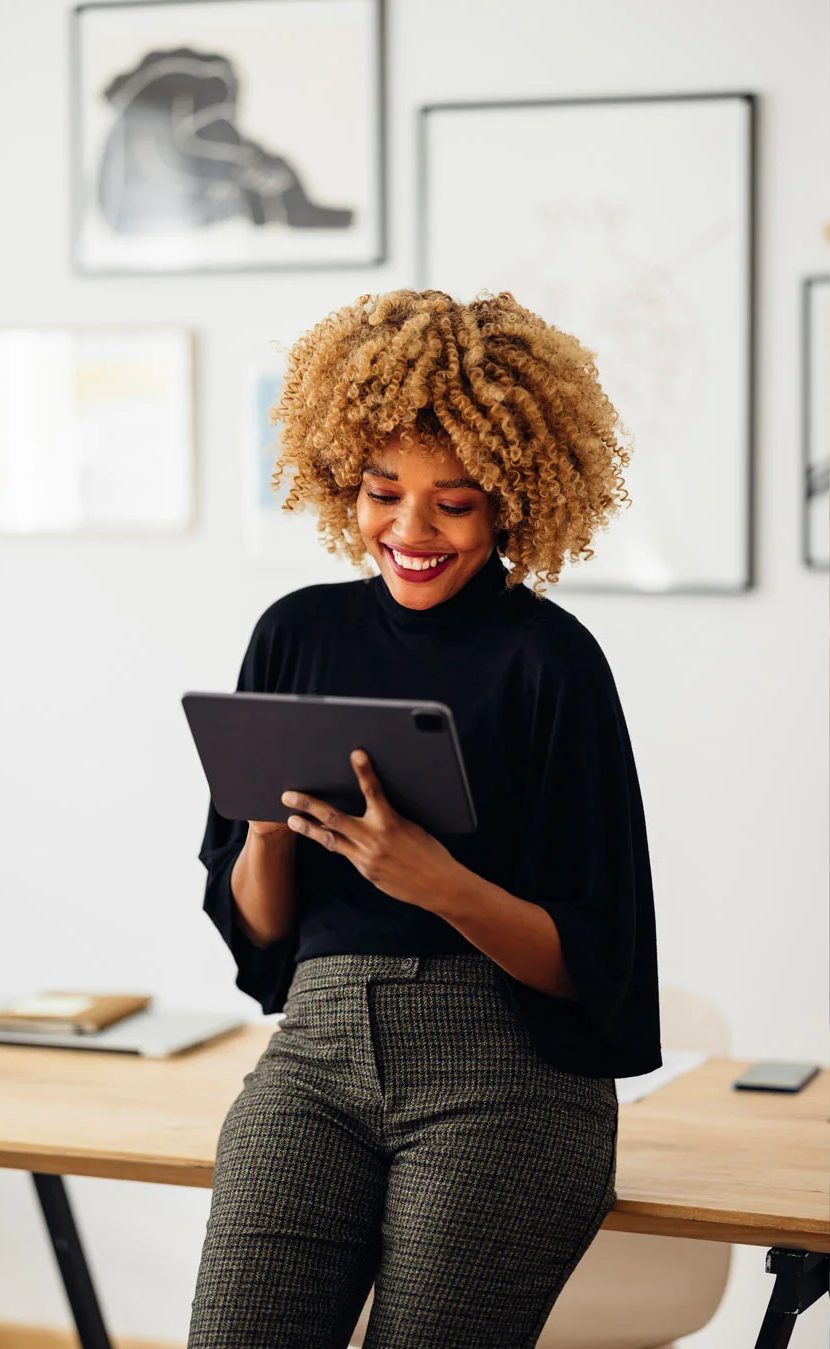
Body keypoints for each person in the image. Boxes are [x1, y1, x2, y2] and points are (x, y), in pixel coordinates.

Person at [187, 289, 662, 1349]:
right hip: (312, 1055)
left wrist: (432, 878)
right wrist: (264, 826)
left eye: (454, 502)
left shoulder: (553, 661)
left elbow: (596, 962)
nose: (409, 530)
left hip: (509, 1078)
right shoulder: (294, 634)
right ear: (338, 477)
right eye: (381, 490)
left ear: (513, 500)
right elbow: (259, 936)